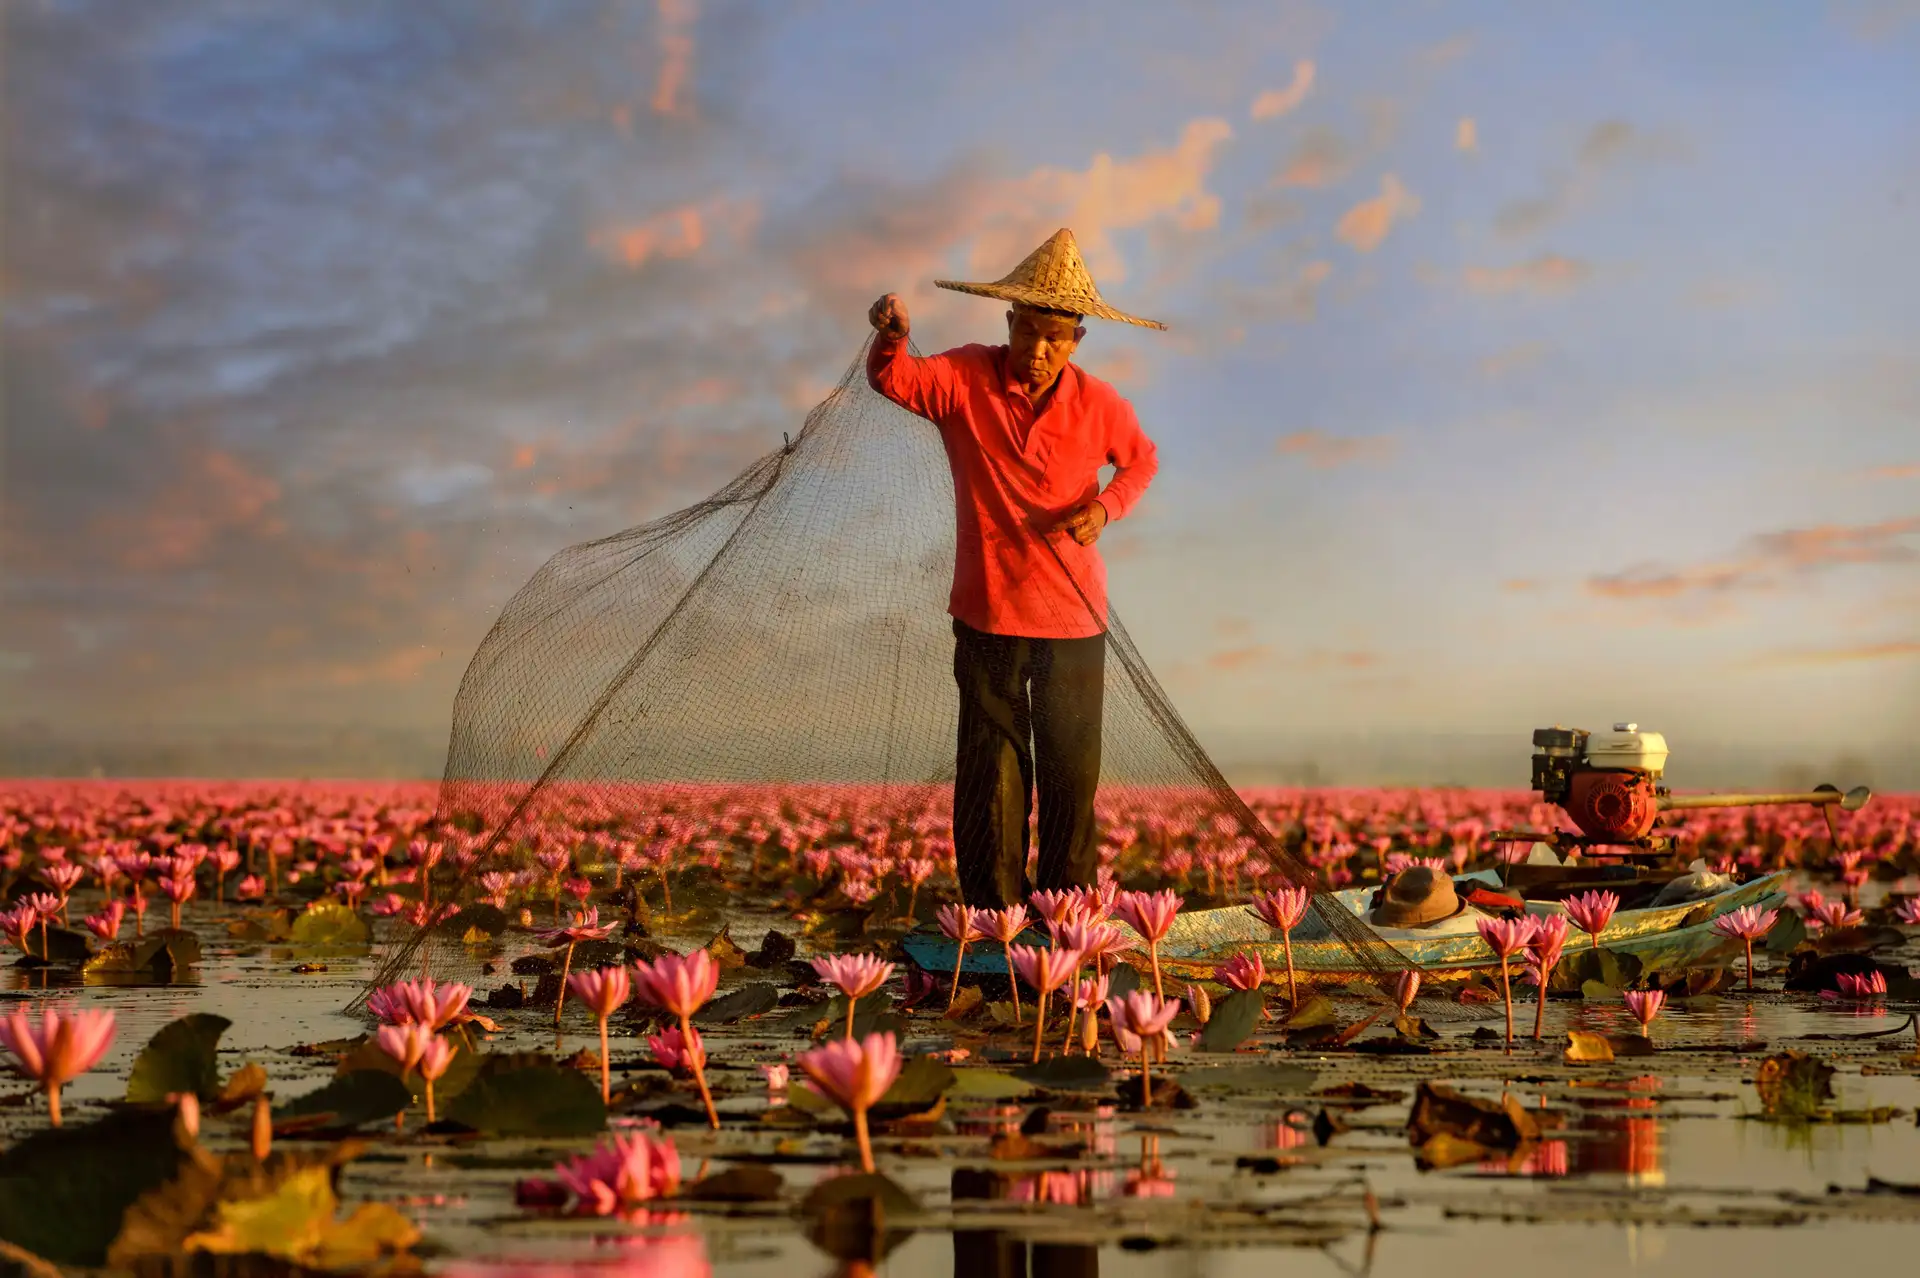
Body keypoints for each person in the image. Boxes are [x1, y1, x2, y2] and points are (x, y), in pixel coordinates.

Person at [864, 228, 1163, 909]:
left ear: (1078, 339)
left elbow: (1141, 461)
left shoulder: (1100, 404)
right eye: (1028, 332)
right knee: (992, 769)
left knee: (1069, 771)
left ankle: (1065, 915)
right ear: (1009, 324)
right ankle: (993, 912)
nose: (1038, 350)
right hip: (988, 613)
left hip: (1073, 617)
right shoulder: (965, 377)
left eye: (1055, 337)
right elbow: (895, 378)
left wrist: (1106, 510)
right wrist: (893, 335)